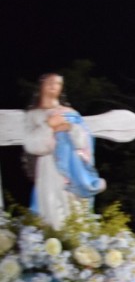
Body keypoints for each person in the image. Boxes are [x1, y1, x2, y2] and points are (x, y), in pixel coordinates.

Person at [22, 73, 105, 230]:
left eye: (58, 83)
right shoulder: (33, 115)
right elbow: (32, 145)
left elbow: (84, 141)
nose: (54, 86)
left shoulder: (71, 113)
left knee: (74, 209)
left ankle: (75, 241)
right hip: (49, 169)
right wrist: (49, 125)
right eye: (50, 82)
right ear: (40, 87)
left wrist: (70, 127)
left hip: (73, 168)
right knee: (51, 209)